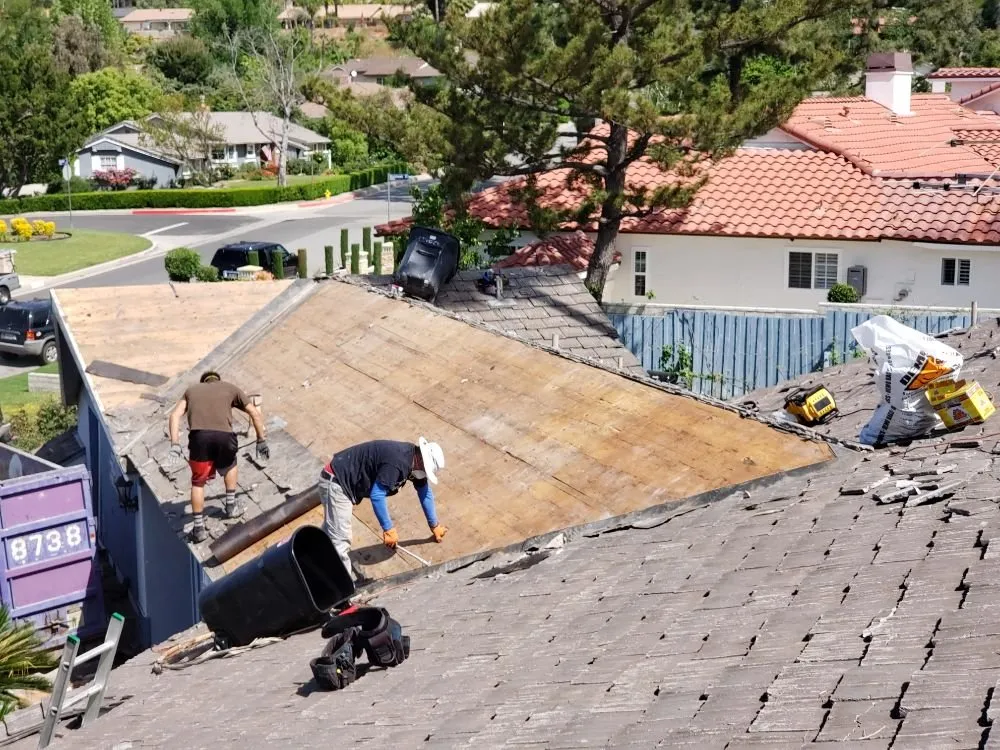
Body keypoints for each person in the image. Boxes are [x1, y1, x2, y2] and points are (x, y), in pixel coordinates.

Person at [320, 438, 447, 581]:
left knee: (330, 535)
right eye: (426, 470)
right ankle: (343, 593)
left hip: (340, 479)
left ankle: (310, 562)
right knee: (340, 540)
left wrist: (434, 524)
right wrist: (388, 528)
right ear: (422, 461)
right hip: (337, 482)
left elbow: (424, 492)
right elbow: (377, 495)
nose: (424, 474)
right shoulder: (398, 462)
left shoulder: (414, 462)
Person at [168, 371, 270, 543]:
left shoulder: (191, 390)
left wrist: (175, 444)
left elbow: (174, 415)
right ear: (217, 380)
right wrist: (261, 440)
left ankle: (199, 528)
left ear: (203, 382)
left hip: (199, 438)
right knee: (230, 465)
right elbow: (254, 412)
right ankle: (231, 506)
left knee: (198, 482)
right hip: (224, 437)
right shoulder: (230, 388)